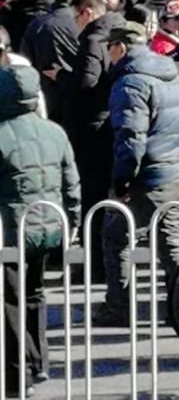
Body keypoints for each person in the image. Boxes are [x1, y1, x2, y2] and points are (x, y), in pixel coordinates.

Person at [95, 22, 179, 326]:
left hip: (145, 176)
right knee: (174, 242)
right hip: (174, 170)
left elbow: (130, 138)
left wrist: (121, 181)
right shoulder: (172, 72)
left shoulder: (130, 82)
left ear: (119, 47)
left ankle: (119, 307)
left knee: (115, 236)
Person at [0, 65, 80, 397]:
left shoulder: (2, 134)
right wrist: (72, 223)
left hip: (10, 230)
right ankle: (40, 362)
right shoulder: (55, 132)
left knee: (10, 301)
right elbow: (71, 184)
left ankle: (19, 375)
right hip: (49, 227)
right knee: (35, 295)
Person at [43, 0, 122, 277]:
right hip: (107, 124)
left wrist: (60, 77)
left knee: (91, 194)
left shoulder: (92, 39)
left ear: (87, 12)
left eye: (77, 16)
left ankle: (95, 263)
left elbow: (86, 80)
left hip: (90, 127)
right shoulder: (115, 30)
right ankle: (101, 260)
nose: (75, 23)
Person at [20, 0, 80, 124]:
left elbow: (25, 62)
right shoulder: (83, 22)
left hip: (48, 99)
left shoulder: (38, 25)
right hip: (80, 97)